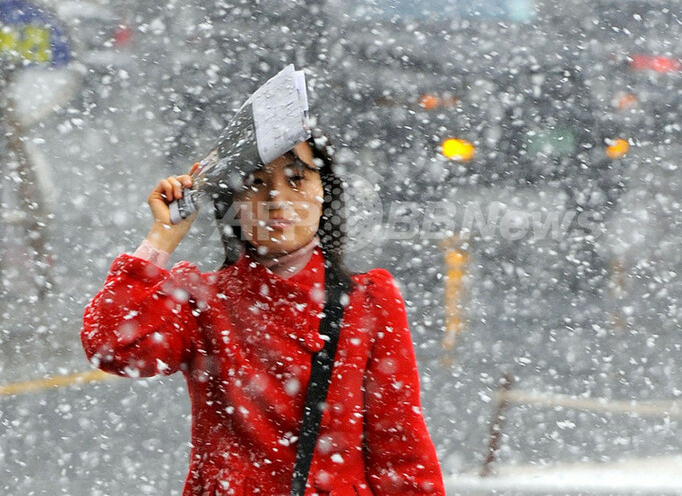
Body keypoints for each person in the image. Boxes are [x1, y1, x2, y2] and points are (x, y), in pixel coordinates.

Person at [81, 133, 445, 495]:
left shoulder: (369, 301)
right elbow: (112, 346)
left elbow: (401, 450)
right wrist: (163, 235)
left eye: (296, 179)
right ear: (232, 204)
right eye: (255, 183)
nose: (276, 199)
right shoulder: (202, 300)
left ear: (325, 193)